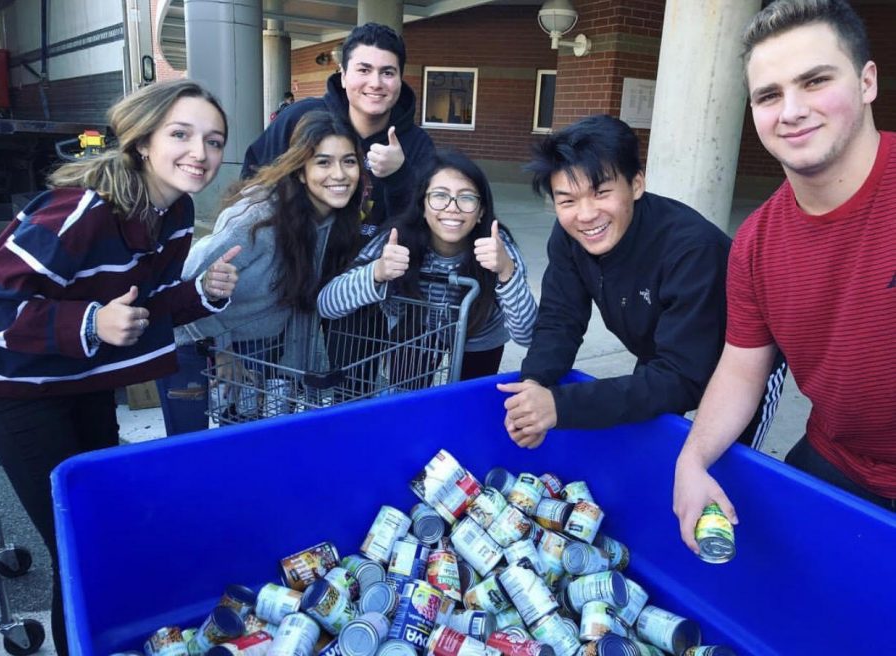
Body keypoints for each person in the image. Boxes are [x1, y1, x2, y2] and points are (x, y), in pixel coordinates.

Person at [0, 79, 240, 655]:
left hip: (83, 385)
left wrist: (202, 293)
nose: (199, 153)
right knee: (77, 543)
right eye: (180, 135)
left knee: (101, 528)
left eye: (213, 140)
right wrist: (88, 322)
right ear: (141, 142)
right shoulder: (80, 209)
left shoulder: (175, 213)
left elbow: (136, 312)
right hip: (21, 392)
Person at [673, 0, 896, 555]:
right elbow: (743, 368)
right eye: (768, 95)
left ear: (867, 82)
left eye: (815, 81)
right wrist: (692, 457)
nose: (790, 110)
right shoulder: (755, 243)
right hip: (836, 461)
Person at [497, 114, 785, 449]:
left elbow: (681, 378)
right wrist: (534, 386)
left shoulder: (692, 249)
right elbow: (559, 320)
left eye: (601, 192)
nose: (586, 215)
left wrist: (561, 406)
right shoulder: (569, 236)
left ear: (636, 184)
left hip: (739, 367)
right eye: (568, 201)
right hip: (662, 351)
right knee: (646, 445)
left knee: (727, 467)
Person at [158, 110, 365, 434]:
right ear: (300, 170)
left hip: (257, 347)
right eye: (323, 162)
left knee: (244, 447)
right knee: (188, 452)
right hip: (194, 343)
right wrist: (221, 350)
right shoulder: (257, 219)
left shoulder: (333, 224)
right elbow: (184, 282)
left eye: (349, 161)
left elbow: (303, 305)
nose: (339, 174)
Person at [317, 150, 538, 380]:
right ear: (422, 205)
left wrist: (506, 271)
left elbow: (528, 335)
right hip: (415, 327)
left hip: (480, 332)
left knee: (469, 401)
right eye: (440, 195)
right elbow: (327, 304)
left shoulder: (497, 246)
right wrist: (377, 271)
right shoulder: (398, 238)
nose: (452, 207)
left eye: (466, 197)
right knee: (408, 399)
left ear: (481, 211)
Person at [242, 22, 435, 240]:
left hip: (373, 270)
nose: (376, 83)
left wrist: (400, 175)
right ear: (343, 75)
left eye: (387, 72)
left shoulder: (418, 144)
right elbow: (252, 184)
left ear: (400, 79)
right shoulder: (298, 119)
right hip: (294, 262)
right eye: (364, 70)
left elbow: (422, 225)